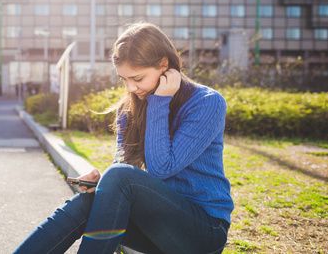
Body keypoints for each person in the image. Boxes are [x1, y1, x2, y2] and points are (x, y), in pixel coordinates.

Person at [13, 22, 234, 254]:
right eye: (124, 79)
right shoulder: (129, 110)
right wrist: (101, 184)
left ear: (164, 65)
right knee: (88, 203)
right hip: (157, 226)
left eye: (137, 78)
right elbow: (124, 169)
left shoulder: (206, 103)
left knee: (118, 177)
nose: (131, 88)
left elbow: (161, 168)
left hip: (203, 231)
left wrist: (159, 102)